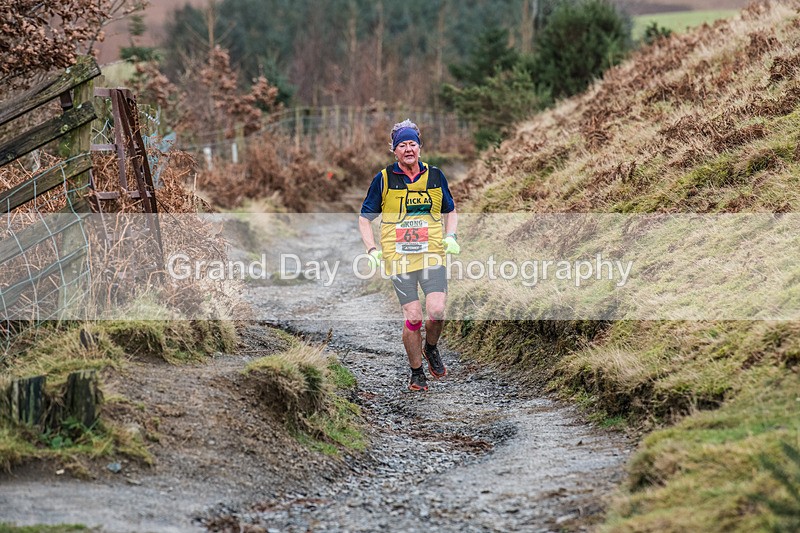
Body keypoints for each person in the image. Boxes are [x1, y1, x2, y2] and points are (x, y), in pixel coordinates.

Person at [358, 119, 460, 392]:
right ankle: (417, 372)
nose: (407, 149)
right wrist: (371, 250)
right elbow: (364, 218)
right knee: (414, 317)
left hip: (432, 254)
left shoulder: (436, 176)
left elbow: (450, 210)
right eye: (401, 145)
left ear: (420, 146)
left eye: (411, 143)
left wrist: (450, 236)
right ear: (394, 151)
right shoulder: (383, 179)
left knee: (436, 312)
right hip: (398, 258)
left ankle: (431, 347)